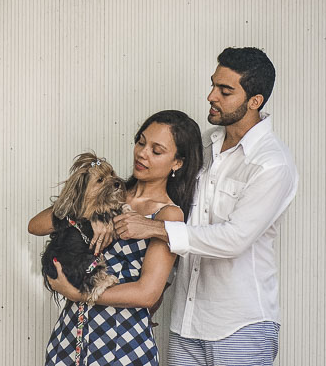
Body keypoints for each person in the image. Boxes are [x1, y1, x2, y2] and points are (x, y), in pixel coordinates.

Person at [115, 47, 298, 366]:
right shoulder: (203, 147)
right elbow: (180, 211)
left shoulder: (271, 163)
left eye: (225, 91)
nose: (211, 96)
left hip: (241, 327)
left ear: (254, 101)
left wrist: (154, 228)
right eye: (213, 85)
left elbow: (235, 239)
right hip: (185, 324)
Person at [29, 110, 204, 366]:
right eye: (141, 141)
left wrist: (78, 295)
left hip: (123, 342)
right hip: (72, 335)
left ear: (178, 162)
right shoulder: (108, 190)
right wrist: (87, 216)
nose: (142, 153)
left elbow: (147, 294)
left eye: (156, 151)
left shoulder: (167, 215)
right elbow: (36, 226)